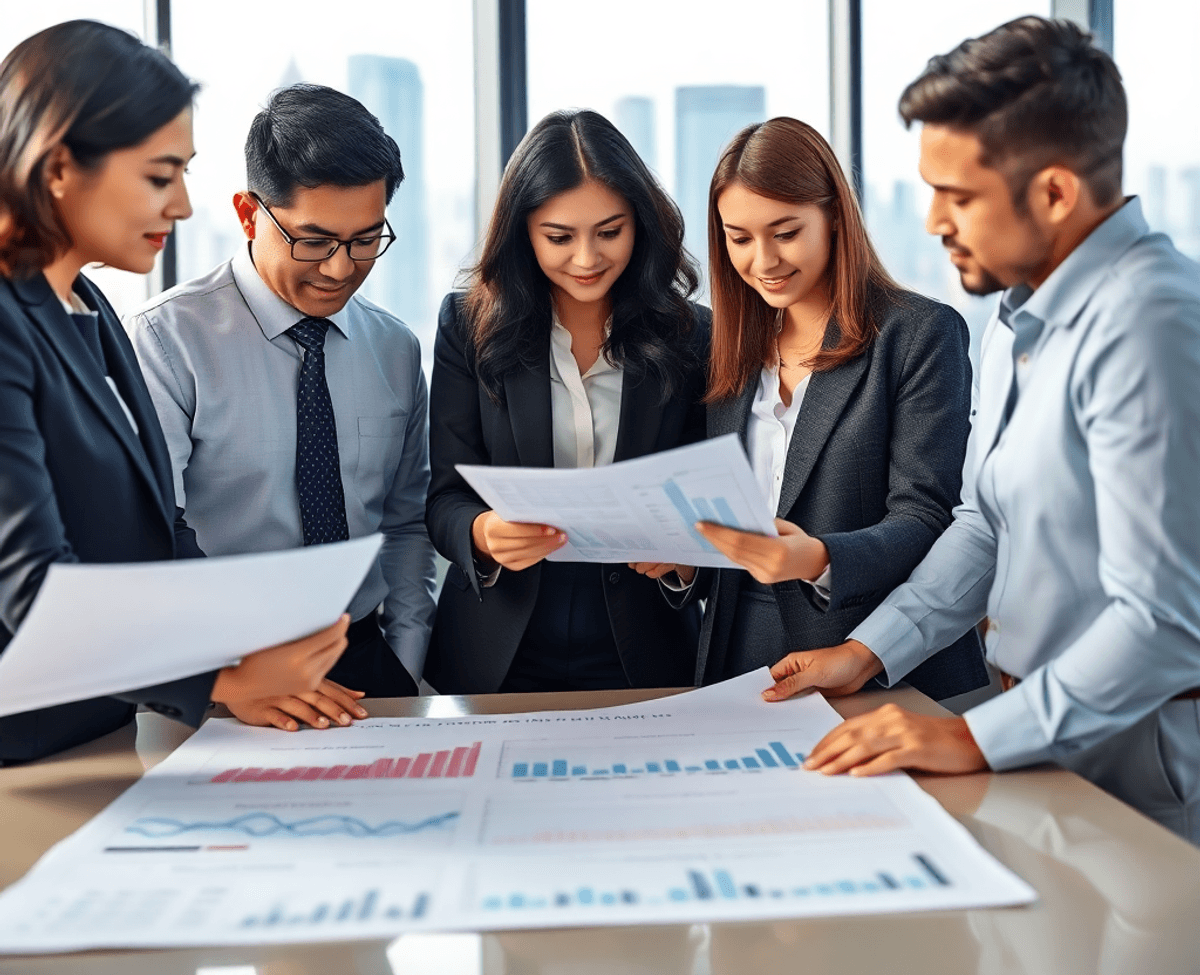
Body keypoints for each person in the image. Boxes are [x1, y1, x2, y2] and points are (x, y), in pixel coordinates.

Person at [762, 17, 1200, 844]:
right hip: (1031, 737)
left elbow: (1166, 619)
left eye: (958, 195)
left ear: (1056, 193)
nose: (932, 221)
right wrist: (867, 652)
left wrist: (969, 736)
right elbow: (984, 524)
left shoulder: (1150, 322)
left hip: (1139, 771)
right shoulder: (1018, 317)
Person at [0, 20, 350, 762]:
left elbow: (145, 540)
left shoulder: (87, 312)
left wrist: (254, 634)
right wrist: (224, 677)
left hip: (96, 734)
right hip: (19, 755)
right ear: (60, 167)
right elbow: (29, 591)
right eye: (161, 176)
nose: (184, 205)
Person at [128, 84, 436, 730]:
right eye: (313, 240)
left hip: (367, 667)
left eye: (365, 240)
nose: (339, 268)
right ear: (248, 214)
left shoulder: (396, 349)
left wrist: (405, 664)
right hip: (227, 674)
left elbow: (406, 525)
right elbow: (150, 532)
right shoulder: (169, 341)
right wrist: (222, 681)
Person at [652, 117, 986, 700]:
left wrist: (816, 557)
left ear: (835, 217)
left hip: (874, 665)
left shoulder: (917, 335)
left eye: (786, 232)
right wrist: (684, 563)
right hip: (737, 661)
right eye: (740, 238)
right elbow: (730, 531)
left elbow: (927, 518)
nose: (764, 260)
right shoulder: (724, 351)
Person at [423, 109, 709, 693]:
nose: (586, 259)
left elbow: (716, 498)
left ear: (641, 225)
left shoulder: (690, 336)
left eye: (610, 232)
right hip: (498, 650)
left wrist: (687, 562)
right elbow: (445, 497)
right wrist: (482, 533)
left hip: (646, 648)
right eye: (559, 237)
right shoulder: (468, 324)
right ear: (523, 232)